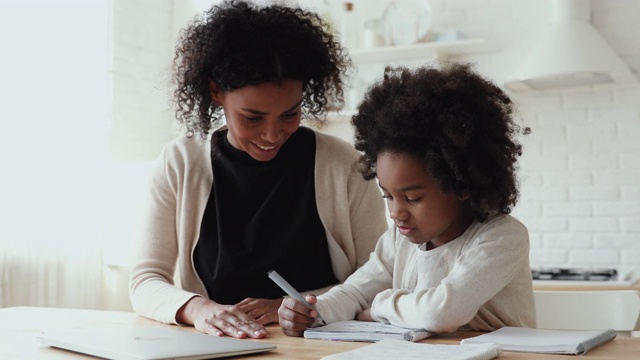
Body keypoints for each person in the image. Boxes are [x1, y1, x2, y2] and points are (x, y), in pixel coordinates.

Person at [129, 0, 388, 339]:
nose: (272, 134)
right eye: (252, 118)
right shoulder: (180, 163)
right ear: (216, 92)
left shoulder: (344, 166)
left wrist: (291, 305)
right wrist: (199, 309)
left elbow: (381, 277)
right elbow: (146, 280)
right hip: (217, 345)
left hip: (318, 344)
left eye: (289, 114)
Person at [278, 63, 536, 337]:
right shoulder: (398, 241)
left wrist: (379, 306)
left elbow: (440, 313)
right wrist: (314, 311)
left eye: (412, 198)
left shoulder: (502, 237)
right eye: (388, 196)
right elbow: (355, 292)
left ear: (461, 185)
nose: (396, 212)